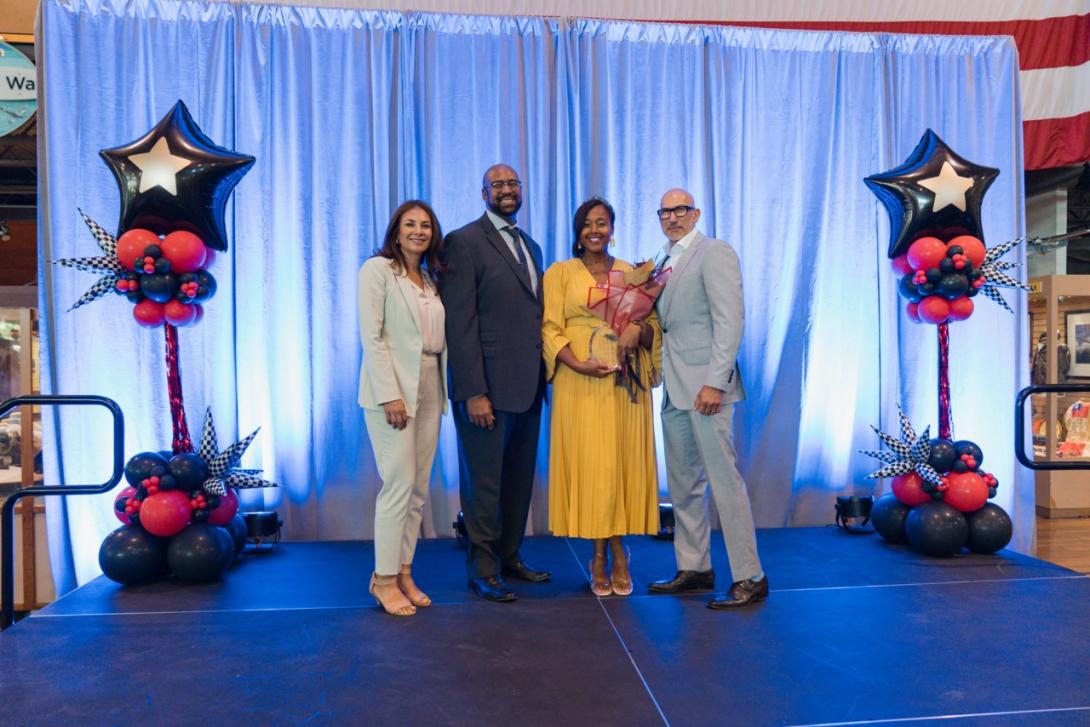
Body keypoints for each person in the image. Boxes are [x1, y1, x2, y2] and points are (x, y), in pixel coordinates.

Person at [649, 187, 768, 609]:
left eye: (680, 209)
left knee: (724, 482)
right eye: (665, 211)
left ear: (695, 213)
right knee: (683, 484)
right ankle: (694, 566)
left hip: (706, 389)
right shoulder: (661, 259)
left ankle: (750, 575)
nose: (673, 217)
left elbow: (729, 319)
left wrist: (716, 381)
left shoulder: (714, 251)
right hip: (674, 387)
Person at [438, 163, 551, 602]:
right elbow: (459, 322)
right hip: (485, 389)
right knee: (484, 481)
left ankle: (509, 556)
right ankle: (483, 569)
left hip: (528, 385)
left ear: (521, 190)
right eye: (497, 184)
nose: (506, 190)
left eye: (512, 183)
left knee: (518, 479)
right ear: (483, 191)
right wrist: (472, 391)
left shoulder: (532, 246)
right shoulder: (463, 242)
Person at [542, 197, 661, 597]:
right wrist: (575, 363)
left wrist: (637, 330)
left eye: (603, 223)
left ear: (612, 228)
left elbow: (653, 326)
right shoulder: (559, 273)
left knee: (620, 464)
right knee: (593, 467)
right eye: (588, 224)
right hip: (579, 379)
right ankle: (598, 555)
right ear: (578, 231)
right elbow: (549, 327)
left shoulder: (632, 271)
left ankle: (619, 551)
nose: (595, 230)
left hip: (623, 380)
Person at [358, 200, 448, 617]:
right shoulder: (377, 270)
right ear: (396, 231)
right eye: (410, 224)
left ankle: (405, 571)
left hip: (430, 383)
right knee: (397, 484)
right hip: (393, 391)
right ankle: (384, 579)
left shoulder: (428, 279)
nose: (418, 231)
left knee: (417, 488)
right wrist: (389, 393)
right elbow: (372, 337)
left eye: (425, 225)